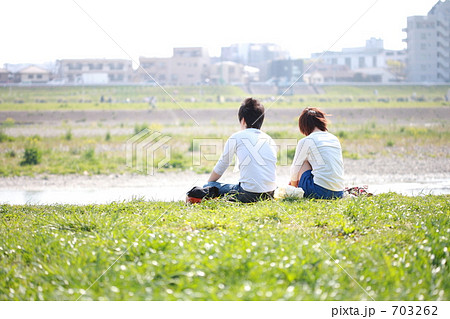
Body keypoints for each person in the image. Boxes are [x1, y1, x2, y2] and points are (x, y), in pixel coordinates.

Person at [203, 98, 277, 203]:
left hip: (248, 194)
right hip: (270, 193)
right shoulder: (269, 139)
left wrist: (209, 185)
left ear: (243, 120)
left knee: (209, 186)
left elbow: (222, 164)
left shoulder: (237, 137)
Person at [289, 107, 344, 199]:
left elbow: (295, 169)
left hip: (319, 192)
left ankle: (295, 189)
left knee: (303, 162)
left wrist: (292, 187)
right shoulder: (334, 138)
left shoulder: (306, 141)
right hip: (338, 193)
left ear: (303, 125)